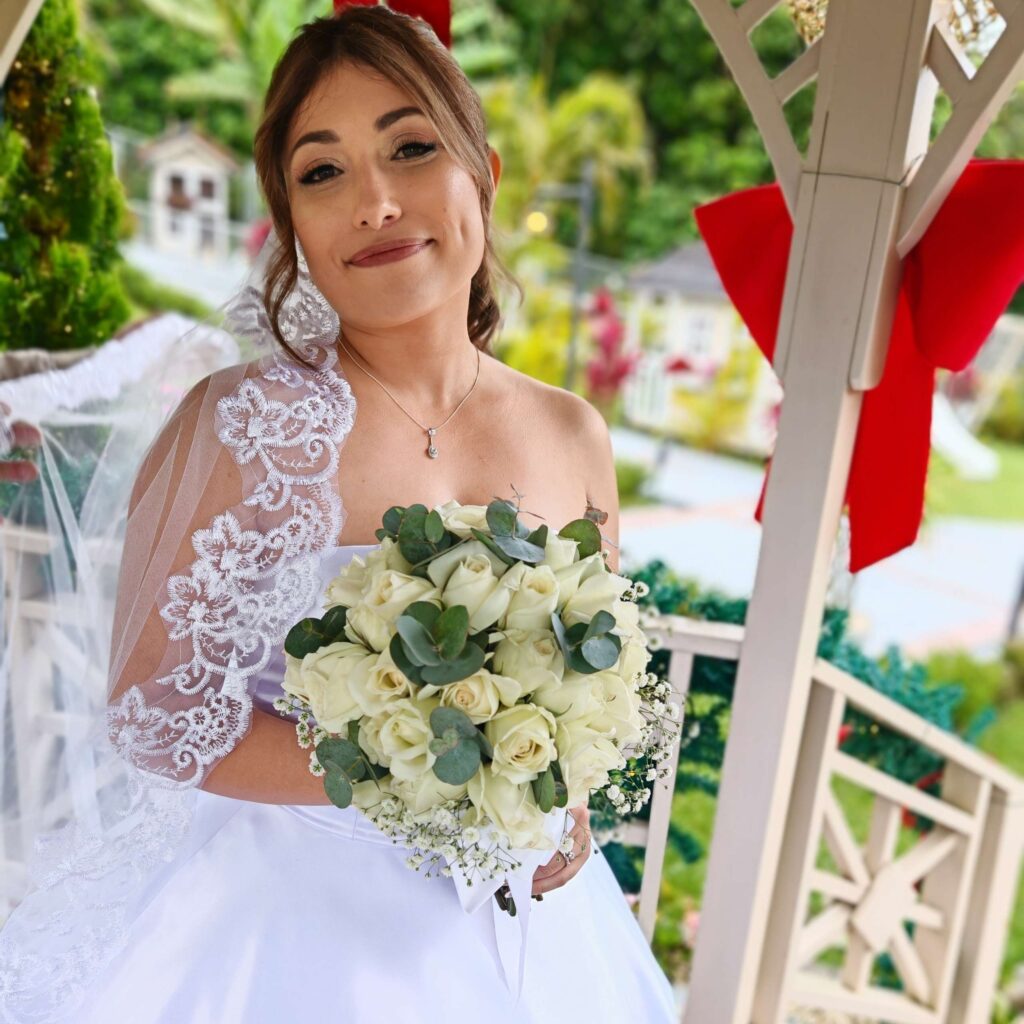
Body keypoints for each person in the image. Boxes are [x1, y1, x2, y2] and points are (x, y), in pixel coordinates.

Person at [0, 8, 678, 1022]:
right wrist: (404, 762)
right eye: (323, 172)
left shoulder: (572, 433)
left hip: (529, 945)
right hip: (280, 932)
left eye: (411, 149)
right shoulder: (234, 426)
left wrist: (563, 805)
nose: (375, 202)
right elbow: (152, 712)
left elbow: (589, 681)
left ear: (484, 174)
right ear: (291, 225)